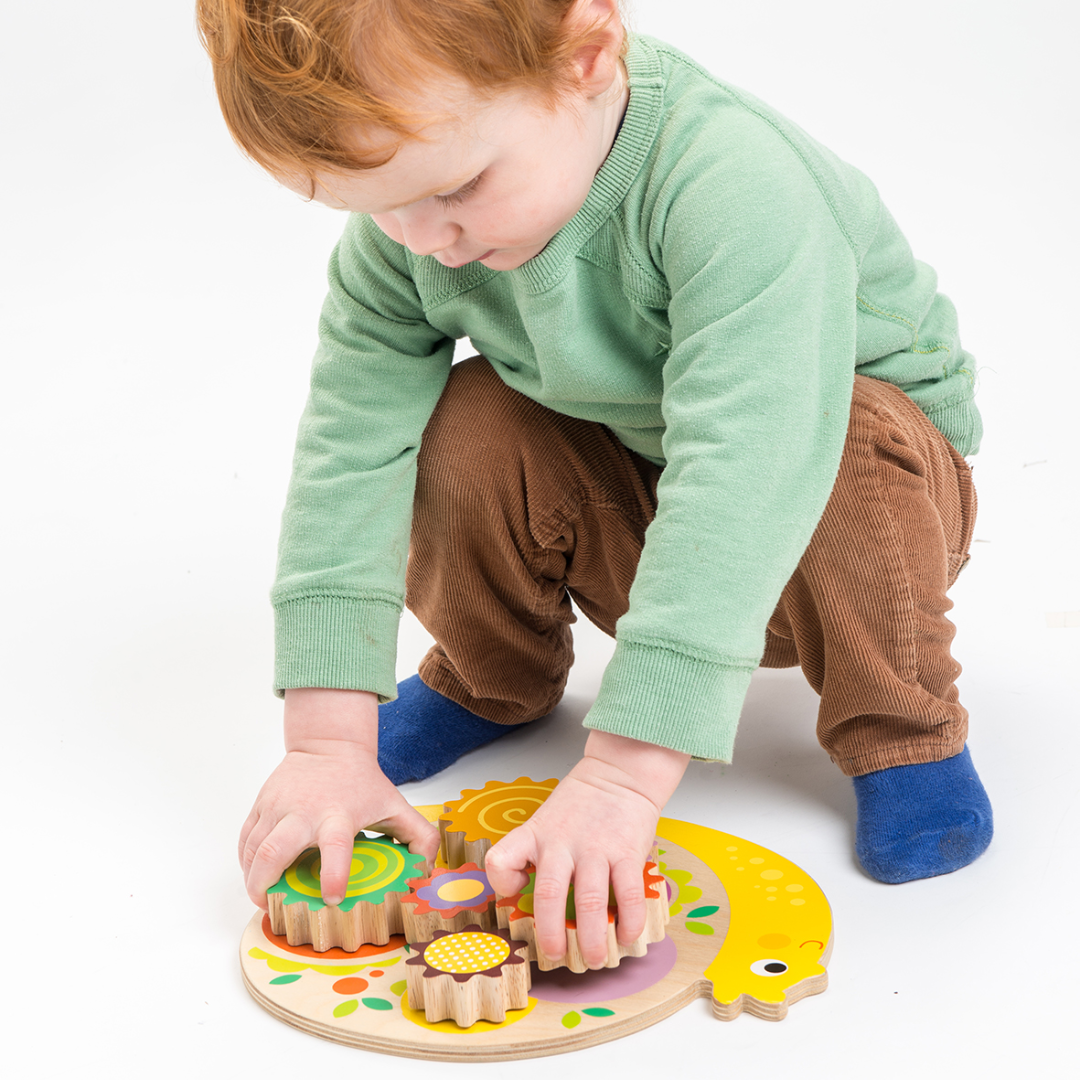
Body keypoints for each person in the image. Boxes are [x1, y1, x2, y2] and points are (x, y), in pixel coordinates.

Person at [198, 0, 993, 969]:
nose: (423, 240)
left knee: (843, 439)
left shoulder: (734, 186)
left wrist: (621, 778)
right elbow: (350, 444)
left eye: (455, 187)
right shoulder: (415, 233)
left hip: (848, 517)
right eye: (376, 203)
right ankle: (495, 675)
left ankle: (901, 725)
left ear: (586, 56)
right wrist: (326, 741)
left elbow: (749, 465)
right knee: (464, 416)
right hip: (638, 507)